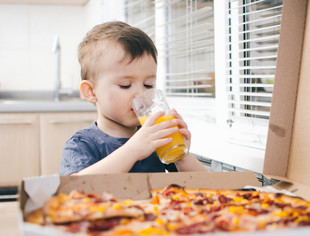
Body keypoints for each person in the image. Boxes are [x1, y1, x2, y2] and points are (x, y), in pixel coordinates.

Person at [60, 21, 208, 175]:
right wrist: (132, 150)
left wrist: (181, 157)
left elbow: (210, 186)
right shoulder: (82, 144)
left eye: (148, 85)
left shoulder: (155, 137)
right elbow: (74, 187)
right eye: (125, 85)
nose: (140, 94)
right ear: (90, 92)